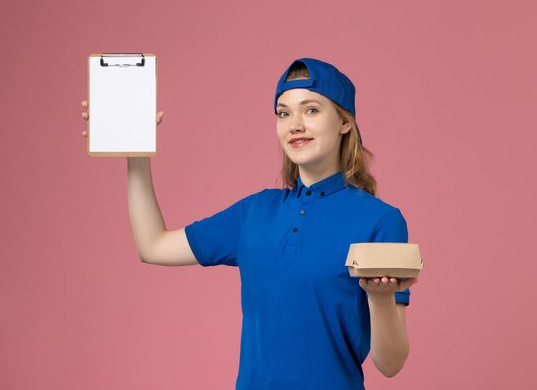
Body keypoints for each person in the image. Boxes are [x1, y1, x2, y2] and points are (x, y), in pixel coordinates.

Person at [80, 57, 419, 390]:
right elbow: (152, 245)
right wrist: (137, 154)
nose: (295, 124)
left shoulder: (381, 221)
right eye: (284, 113)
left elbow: (390, 365)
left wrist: (379, 298)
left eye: (311, 110)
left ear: (345, 122)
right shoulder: (255, 213)